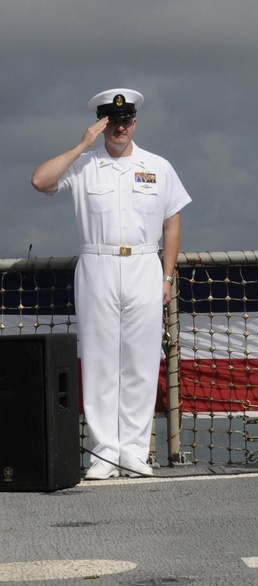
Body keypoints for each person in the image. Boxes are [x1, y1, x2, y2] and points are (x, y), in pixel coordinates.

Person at [31, 88, 191, 480]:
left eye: (126, 121)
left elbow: (172, 221)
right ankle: (104, 454)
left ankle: (135, 451)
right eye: (113, 122)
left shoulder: (158, 166)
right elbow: (40, 180)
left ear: (135, 122)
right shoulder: (84, 165)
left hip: (143, 264)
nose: (121, 128)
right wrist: (82, 143)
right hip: (97, 263)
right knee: (101, 361)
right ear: (102, 124)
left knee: (140, 360)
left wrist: (167, 276)